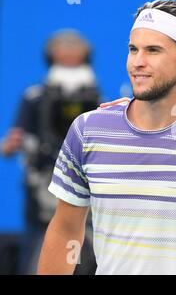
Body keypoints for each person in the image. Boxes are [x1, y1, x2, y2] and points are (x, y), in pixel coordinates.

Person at [37, 0, 176, 275]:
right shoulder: (88, 130)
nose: (138, 62)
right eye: (134, 49)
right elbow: (65, 230)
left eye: (153, 50)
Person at [1, 29, 98, 274]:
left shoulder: (96, 101)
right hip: (42, 191)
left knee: (90, 255)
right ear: (50, 55)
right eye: (62, 47)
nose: (68, 51)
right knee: (40, 248)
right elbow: (15, 140)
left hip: (89, 192)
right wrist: (12, 145)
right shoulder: (34, 98)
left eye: (74, 47)